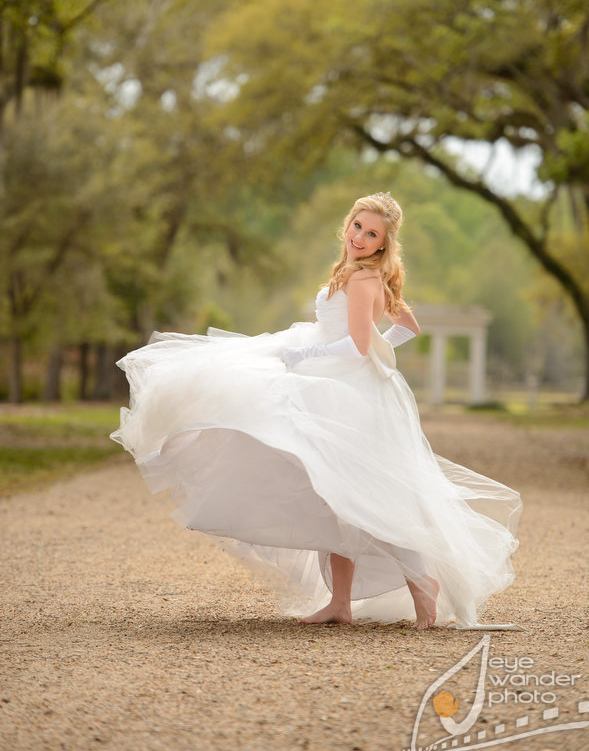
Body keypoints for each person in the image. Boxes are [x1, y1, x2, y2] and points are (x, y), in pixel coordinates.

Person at [111, 192, 521, 630]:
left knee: (363, 494)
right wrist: (379, 355)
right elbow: (405, 327)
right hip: (337, 383)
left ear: (384, 244)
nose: (360, 237)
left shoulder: (364, 281)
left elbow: (360, 346)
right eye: (357, 226)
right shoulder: (357, 274)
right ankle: (339, 603)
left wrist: (314, 356)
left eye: (372, 234)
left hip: (344, 390)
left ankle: (423, 582)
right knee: (331, 495)